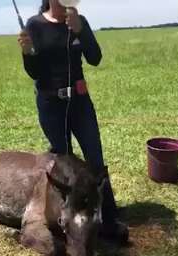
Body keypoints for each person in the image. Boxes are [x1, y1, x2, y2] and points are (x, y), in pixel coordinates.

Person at [17, 0, 128, 243]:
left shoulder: (79, 21)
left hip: (80, 103)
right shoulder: (35, 25)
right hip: (51, 106)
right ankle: (68, 220)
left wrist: (80, 30)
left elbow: (95, 58)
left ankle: (108, 218)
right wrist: (27, 54)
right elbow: (35, 72)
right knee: (64, 165)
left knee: (95, 160)